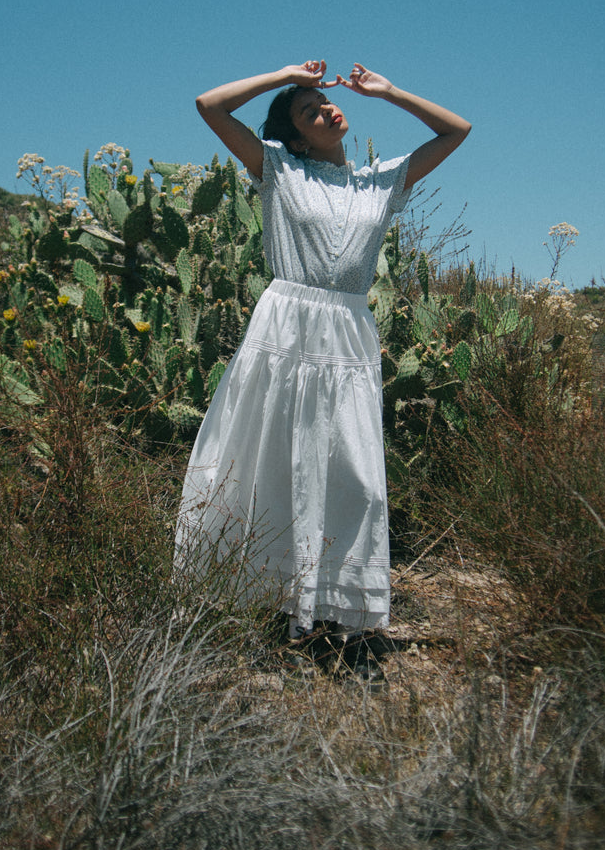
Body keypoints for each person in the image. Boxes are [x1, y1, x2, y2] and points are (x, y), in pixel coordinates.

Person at [175, 59, 471, 681]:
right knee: (268, 459)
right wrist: (282, 75)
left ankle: (336, 606)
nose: (326, 111)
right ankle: (259, 598)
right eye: (309, 110)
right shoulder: (277, 169)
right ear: (296, 133)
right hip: (285, 325)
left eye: (326, 105)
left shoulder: (380, 182)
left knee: (350, 469)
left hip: (346, 333)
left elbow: (456, 130)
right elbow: (209, 105)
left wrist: (388, 92)